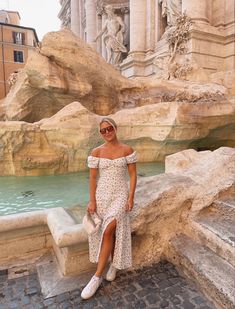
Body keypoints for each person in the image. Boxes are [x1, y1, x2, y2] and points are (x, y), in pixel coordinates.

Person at [81, 117, 137, 299]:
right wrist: (91, 201)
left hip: (120, 195)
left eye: (109, 128)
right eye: (103, 130)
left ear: (115, 128)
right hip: (102, 195)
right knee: (109, 232)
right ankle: (114, 263)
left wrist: (131, 197)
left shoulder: (127, 150)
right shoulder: (96, 152)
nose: (106, 132)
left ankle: (96, 277)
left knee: (108, 231)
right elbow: (91, 178)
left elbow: (133, 174)